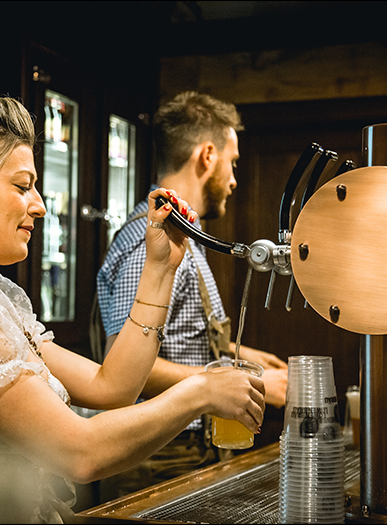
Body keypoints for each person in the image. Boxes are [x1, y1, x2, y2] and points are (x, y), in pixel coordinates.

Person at [0, 93, 266, 523]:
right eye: (23, 187)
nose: (39, 205)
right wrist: (200, 392)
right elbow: (80, 453)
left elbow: (111, 386)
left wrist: (160, 269)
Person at [96, 91, 288, 500]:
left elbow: (180, 337)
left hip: (183, 451)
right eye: (232, 162)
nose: (235, 179)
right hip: (156, 457)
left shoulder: (183, 238)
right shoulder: (146, 242)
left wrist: (245, 356)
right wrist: (240, 384)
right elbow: (125, 365)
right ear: (207, 156)